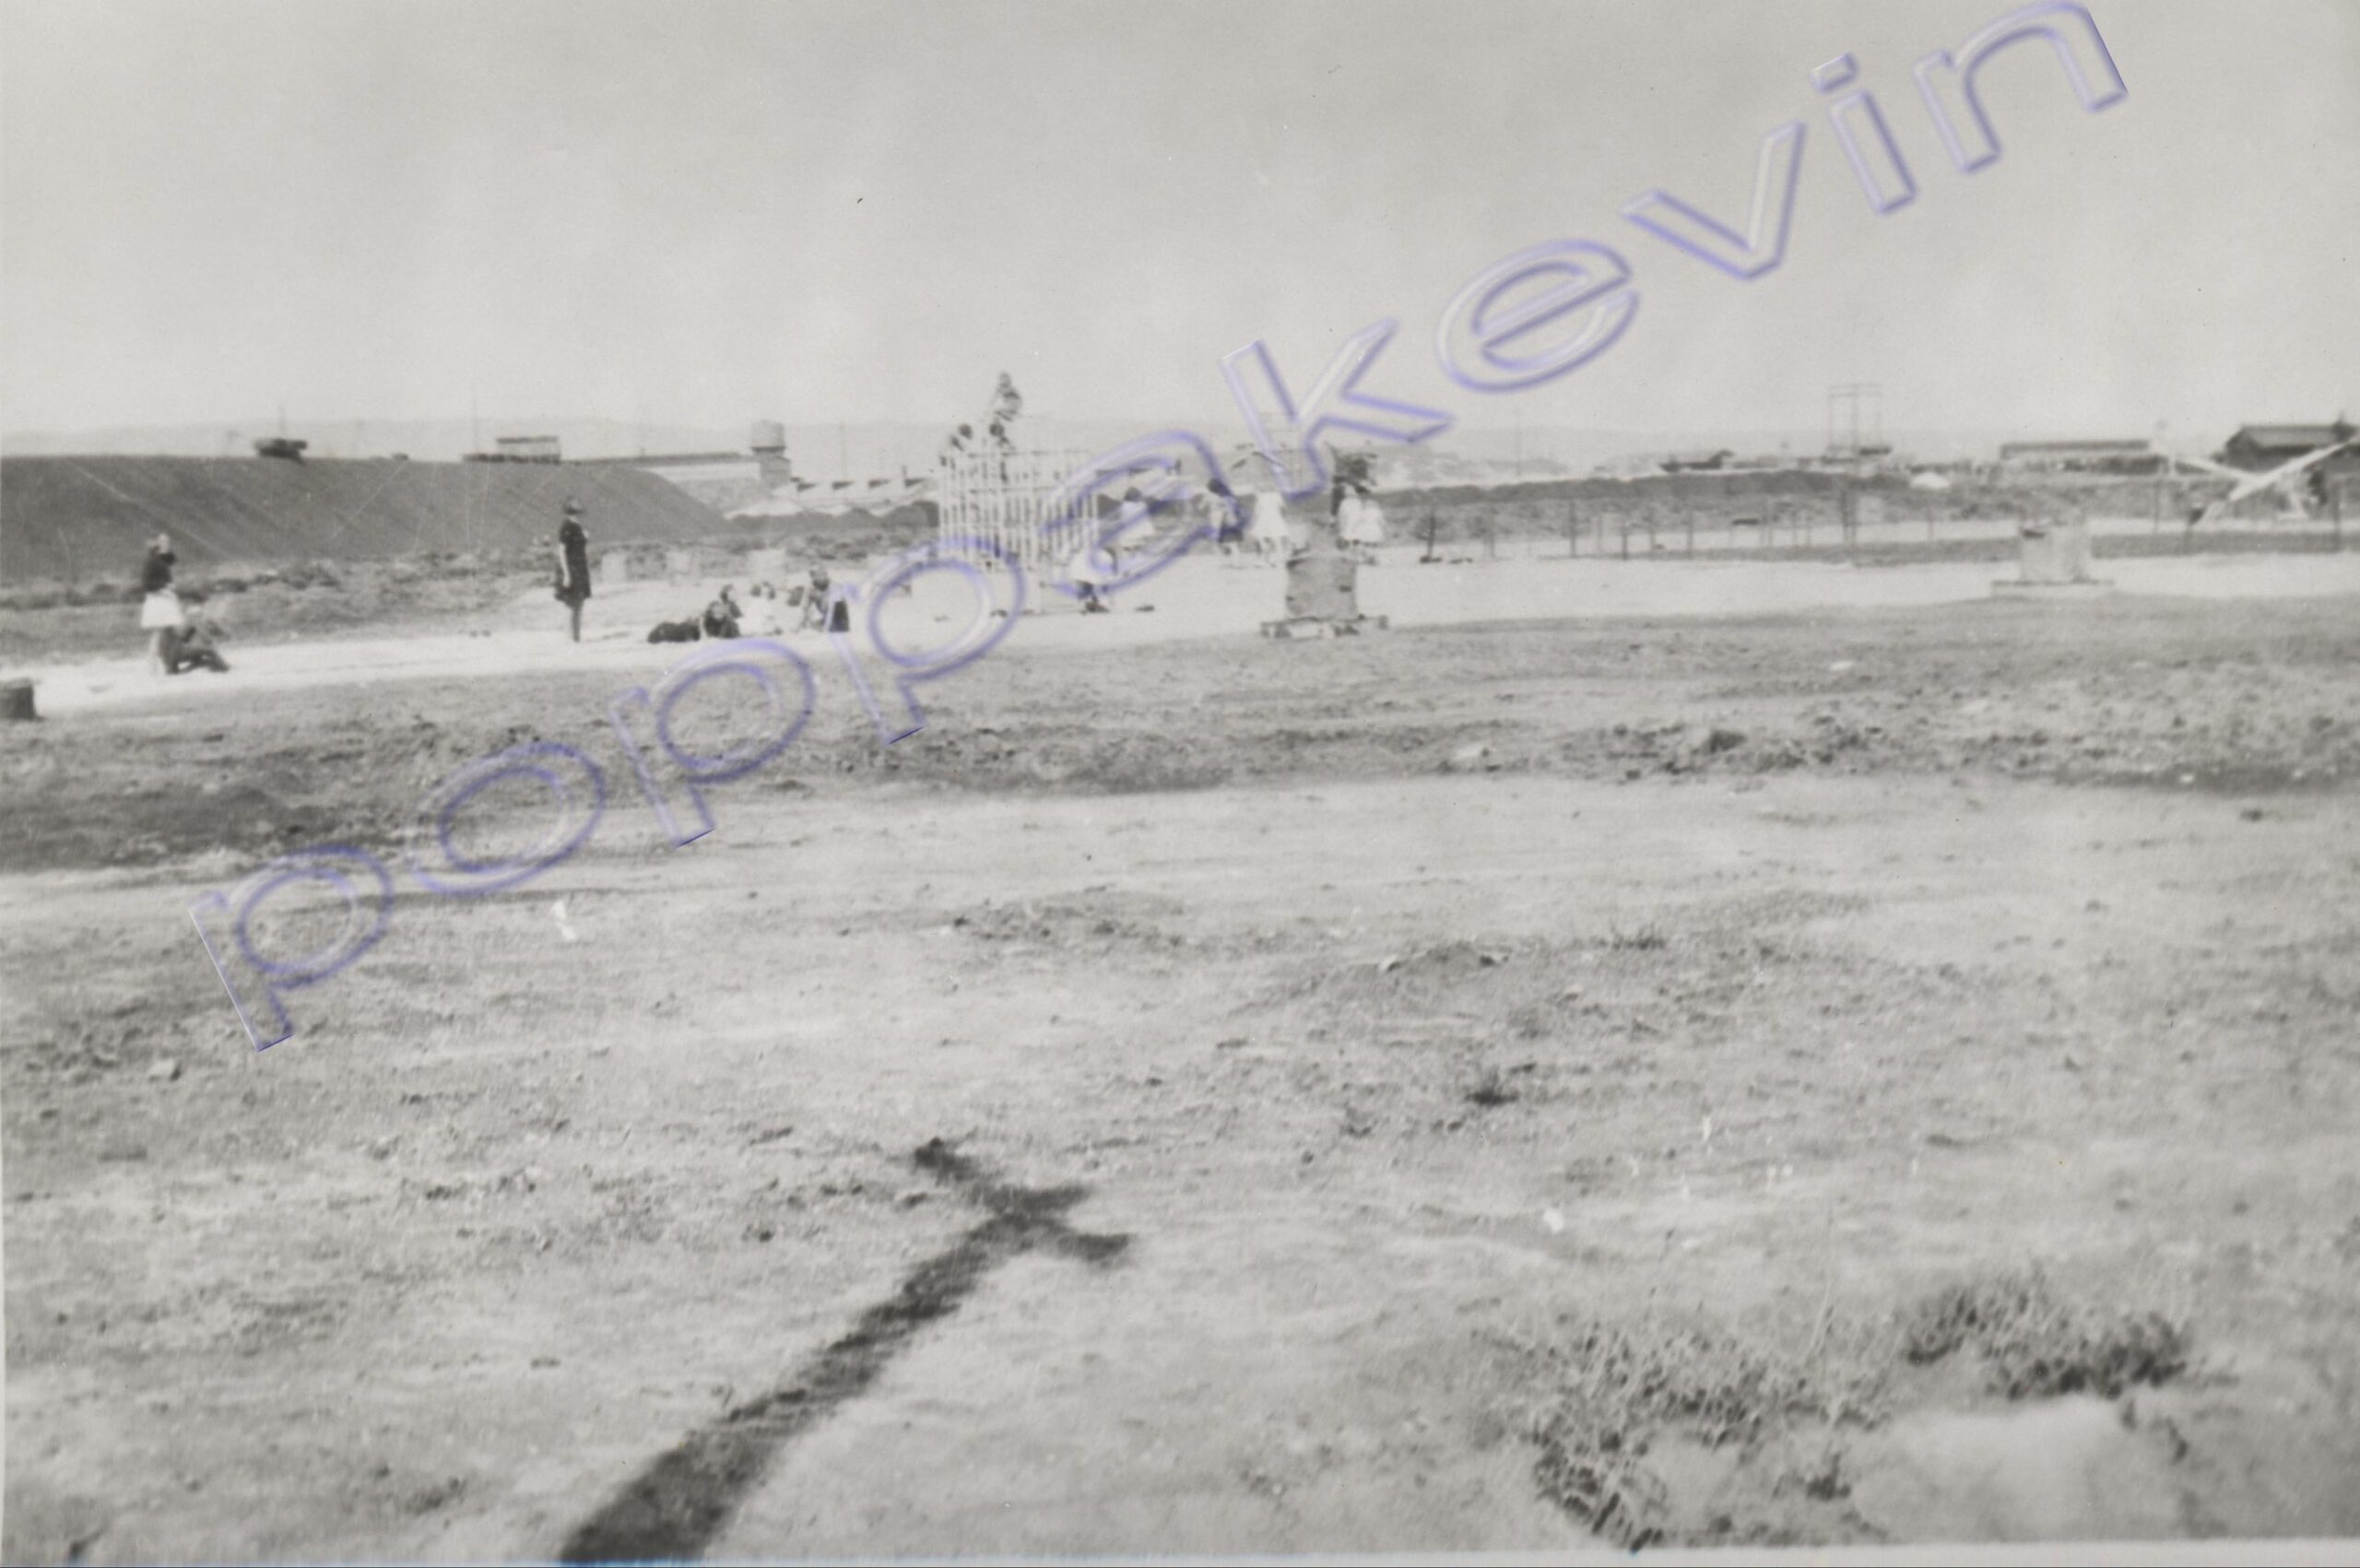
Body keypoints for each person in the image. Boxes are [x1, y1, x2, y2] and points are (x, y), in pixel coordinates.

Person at [138, 532, 183, 675]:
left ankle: (169, 666)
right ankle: (153, 668)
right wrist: (165, 587)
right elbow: (146, 584)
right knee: (158, 634)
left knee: (170, 632)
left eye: (168, 541)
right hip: (158, 600)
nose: (167, 544)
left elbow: (171, 559)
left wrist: (167, 588)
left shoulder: (160, 559)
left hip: (165, 599)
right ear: (157, 543)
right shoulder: (151, 560)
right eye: (163, 541)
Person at [554, 500, 593, 642]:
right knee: (571, 605)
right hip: (571, 568)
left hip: (579, 568)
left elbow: (577, 548)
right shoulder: (567, 526)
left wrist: (585, 538)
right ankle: (571, 638)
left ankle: (576, 637)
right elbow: (562, 550)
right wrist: (566, 574)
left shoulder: (576, 527)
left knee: (579, 603)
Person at [170, 595, 230, 674]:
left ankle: (182, 671)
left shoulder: (198, 619)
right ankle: (223, 667)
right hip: (178, 653)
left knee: (206, 658)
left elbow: (222, 633)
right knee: (209, 651)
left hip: (179, 653)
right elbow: (184, 636)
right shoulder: (192, 619)